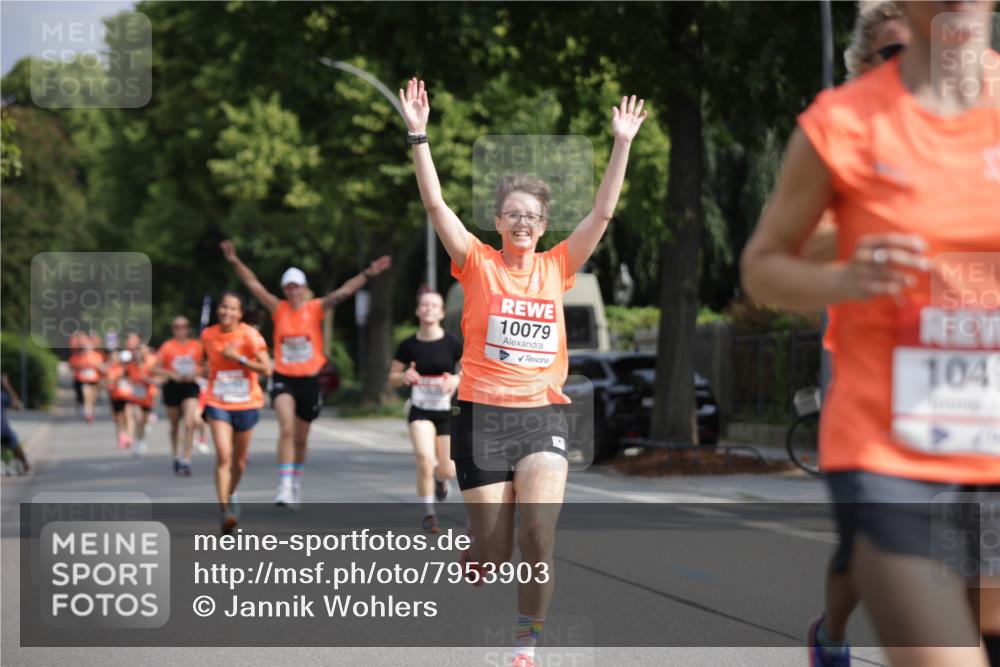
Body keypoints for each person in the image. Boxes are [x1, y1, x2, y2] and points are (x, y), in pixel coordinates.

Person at [740, 2, 999, 665]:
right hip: (891, 447)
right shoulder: (844, 123)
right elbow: (762, 268)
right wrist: (844, 278)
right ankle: (832, 632)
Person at [400, 77, 647, 667]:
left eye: (531, 216)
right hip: (482, 417)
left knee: (538, 535)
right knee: (493, 550)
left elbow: (604, 212)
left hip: (542, 417)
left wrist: (622, 143)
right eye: (511, 214)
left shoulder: (559, 266)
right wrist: (418, 135)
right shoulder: (476, 263)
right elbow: (436, 206)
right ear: (497, 220)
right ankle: (481, 551)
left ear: (542, 224)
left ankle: (526, 642)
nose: (521, 223)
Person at [794, 3, 912, 665]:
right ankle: (831, 632)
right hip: (866, 367)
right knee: (867, 541)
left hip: (961, 373)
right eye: (896, 54)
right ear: (864, 65)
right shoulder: (841, 128)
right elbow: (794, 248)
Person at [220, 239, 391, 508]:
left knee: (301, 437)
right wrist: (234, 261)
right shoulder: (279, 309)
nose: (293, 291)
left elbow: (344, 292)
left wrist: (369, 273)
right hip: (284, 377)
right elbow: (254, 284)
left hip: (310, 379)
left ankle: (295, 480)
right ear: (285, 290)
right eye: (288, 286)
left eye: (296, 286)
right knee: (286, 429)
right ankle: (284, 486)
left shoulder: (316, 308)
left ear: (304, 289)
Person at [388, 290, 463, 533]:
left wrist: (455, 378)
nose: (429, 308)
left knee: (448, 468)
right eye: (425, 304)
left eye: (434, 305)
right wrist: (403, 376)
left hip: (446, 410)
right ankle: (429, 514)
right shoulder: (408, 345)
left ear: (441, 312)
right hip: (420, 410)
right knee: (423, 458)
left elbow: (469, 370)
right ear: (418, 310)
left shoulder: (453, 343)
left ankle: (441, 480)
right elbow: (392, 378)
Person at [200, 291, 271, 534]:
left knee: (239, 462)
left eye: (233, 309)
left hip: (246, 402)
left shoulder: (250, 335)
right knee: (223, 455)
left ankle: (230, 493)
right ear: (218, 310)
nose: (227, 312)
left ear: (240, 314)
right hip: (217, 401)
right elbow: (204, 362)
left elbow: (267, 369)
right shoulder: (207, 335)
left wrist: (239, 358)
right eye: (223, 307)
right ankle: (225, 511)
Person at [153, 316, 204, 476]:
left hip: (190, 386)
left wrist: (194, 373)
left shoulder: (197, 346)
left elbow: (206, 367)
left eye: (184, 326)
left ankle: (186, 459)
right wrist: (171, 374)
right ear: (173, 329)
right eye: (177, 326)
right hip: (172, 386)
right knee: (175, 424)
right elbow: (155, 368)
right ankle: (176, 454)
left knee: (190, 422)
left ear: (188, 328)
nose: (180, 329)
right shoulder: (167, 346)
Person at [123, 337, 158, 457]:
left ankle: (140, 440)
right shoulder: (131, 365)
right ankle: (133, 440)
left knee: (143, 422)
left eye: (142, 352)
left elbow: (157, 379)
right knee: (136, 417)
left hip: (147, 397)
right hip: (134, 397)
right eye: (138, 351)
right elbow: (125, 377)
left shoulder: (151, 364)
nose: (139, 354)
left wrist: (147, 380)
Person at [105, 349, 136, 450]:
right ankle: (121, 435)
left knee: (129, 416)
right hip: (116, 397)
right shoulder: (111, 369)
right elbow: (108, 383)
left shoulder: (130, 369)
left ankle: (130, 437)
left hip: (128, 397)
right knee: (119, 419)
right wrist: (115, 380)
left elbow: (136, 380)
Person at [69, 337, 104, 423]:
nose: (87, 349)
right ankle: (88, 413)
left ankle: (91, 409)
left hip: (94, 379)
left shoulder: (97, 355)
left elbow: (102, 367)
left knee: (93, 397)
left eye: (89, 347)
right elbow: (73, 366)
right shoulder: (80, 356)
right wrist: (81, 366)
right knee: (86, 395)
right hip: (84, 380)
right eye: (85, 347)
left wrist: (95, 365)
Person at [1, 374, 30, 475]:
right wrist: (7, 386)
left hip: (4, 432)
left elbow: (17, 406)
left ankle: (25, 464)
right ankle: (25, 464)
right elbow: (18, 405)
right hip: (4, 432)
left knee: (13, 441)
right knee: (15, 445)